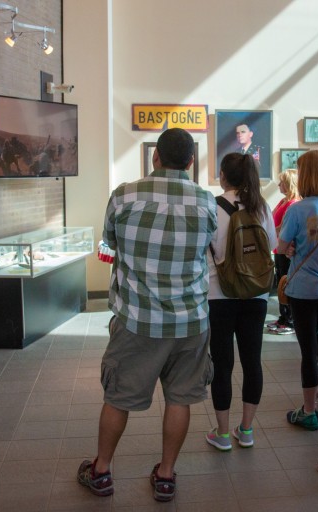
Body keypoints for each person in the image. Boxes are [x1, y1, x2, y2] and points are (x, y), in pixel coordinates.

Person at [78, 128, 217, 502]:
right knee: (180, 399)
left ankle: (102, 470)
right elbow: (209, 250)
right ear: (191, 161)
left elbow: (109, 242)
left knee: (118, 397)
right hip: (190, 321)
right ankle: (167, 475)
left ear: (155, 157)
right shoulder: (207, 202)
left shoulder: (124, 195)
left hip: (137, 318)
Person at [205, 153, 277, 451]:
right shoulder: (262, 207)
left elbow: (202, 247)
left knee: (222, 364)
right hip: (255, 294)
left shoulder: (212, 206)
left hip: (219, 294)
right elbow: (272, 245)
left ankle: (222, 434)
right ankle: (246, 430)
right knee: (252, 361)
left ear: (223, 175)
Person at [278, 150, 318, 430]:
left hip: (302, 288)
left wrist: (290, 248)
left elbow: (281, 247)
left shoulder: (297, 209)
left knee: (308, 352)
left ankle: (307, 410)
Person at [268, 169, 300, 335]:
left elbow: (284, 226)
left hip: (285, 249)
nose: (279, 185)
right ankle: (283, 316)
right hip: (278, 247)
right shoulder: (283, 201)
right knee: (280, 282)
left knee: (285, 282)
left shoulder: (293, 204)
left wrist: (271, 231)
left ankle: (290, 319)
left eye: (282, 182)